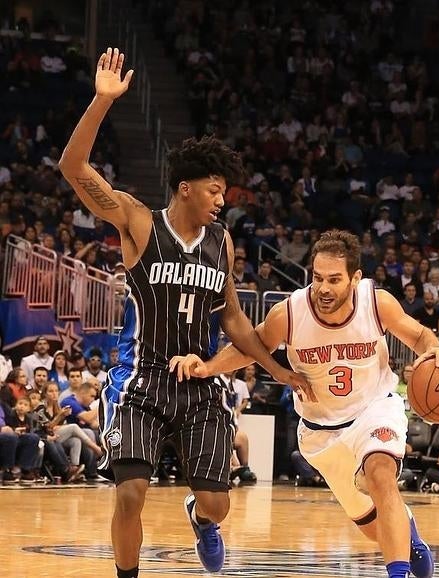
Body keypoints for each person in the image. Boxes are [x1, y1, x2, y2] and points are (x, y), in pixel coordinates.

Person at [58, 47, 309, 578]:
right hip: (142, 377)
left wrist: (278, 369)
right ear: (185, 187)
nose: (222, 200)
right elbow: (72, 167)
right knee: (130, 493)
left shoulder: (222, 242)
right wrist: (102, 102)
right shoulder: (138, 220)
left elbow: (235, 320)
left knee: (217, 503)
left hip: (201, 384)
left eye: (225, 192)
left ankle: (201, 517)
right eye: (215, 190)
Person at [170, 229, 439, 578]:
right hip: (320, 432)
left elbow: (418, 335)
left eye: (334, 280)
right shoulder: (291, 313)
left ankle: (398, 569)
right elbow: (252, 346)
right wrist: (207, 366)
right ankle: (407, 531)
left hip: (375, 408)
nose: (323, 288)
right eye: (317, 278)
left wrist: (433, 349)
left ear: (355, 278)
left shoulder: (376, 303)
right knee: (372, 527)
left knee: (381, 475)